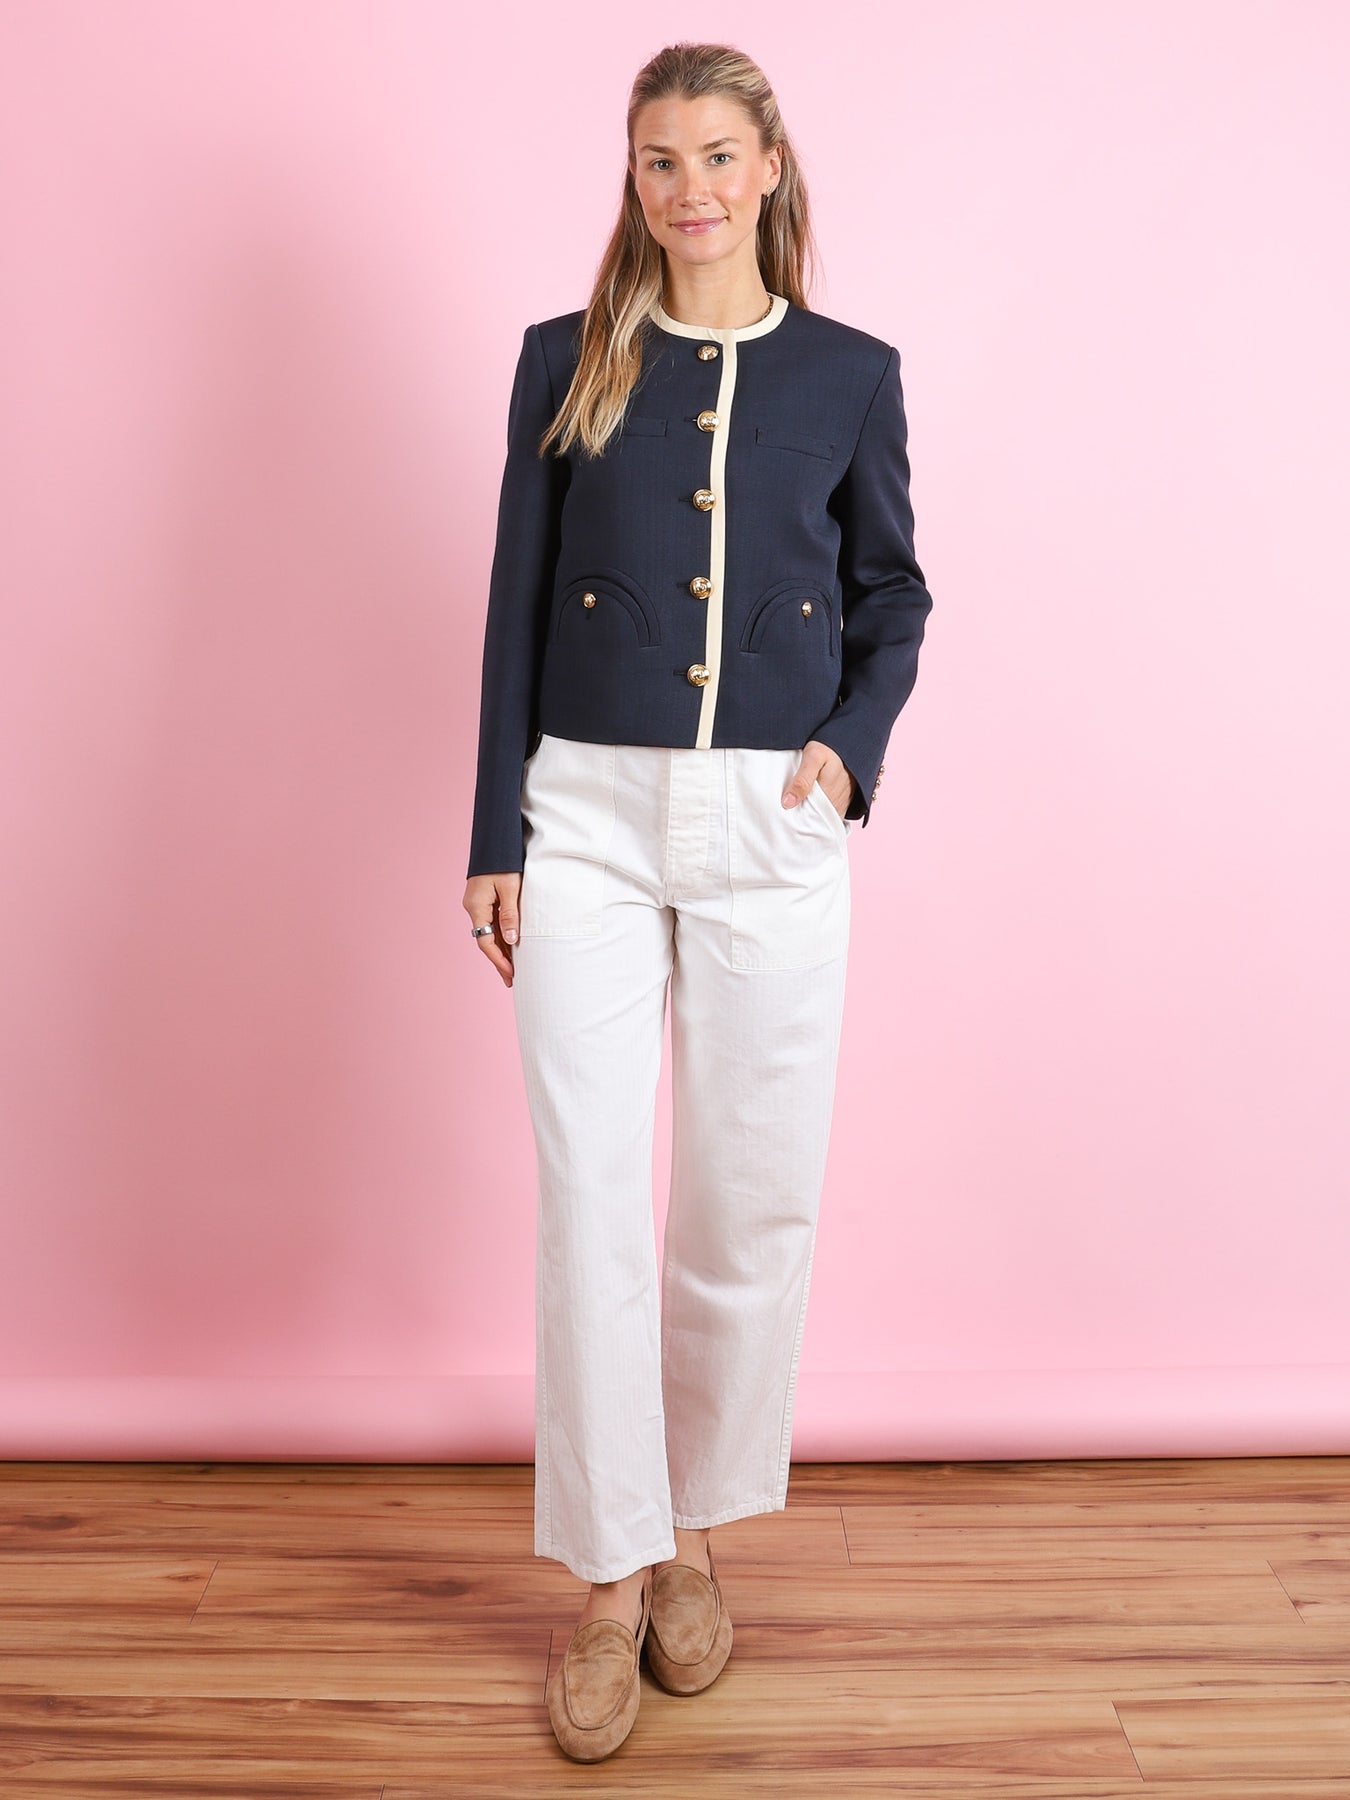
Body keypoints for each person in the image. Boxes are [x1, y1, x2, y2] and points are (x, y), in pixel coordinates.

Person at [462, 40, 934, 1762]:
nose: (690, 189)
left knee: (746, 1196)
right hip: (582, 815)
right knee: (590, 1195)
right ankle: (608, 1577)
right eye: (661, 159)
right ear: (634, 176)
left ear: (769, 167)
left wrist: (846, 756)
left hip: (769, 820)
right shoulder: (564, 357)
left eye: (718, 155)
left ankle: (696, 1544)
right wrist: (494, 833)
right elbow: (513, 607)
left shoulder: (849, 373)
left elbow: (894, 593)